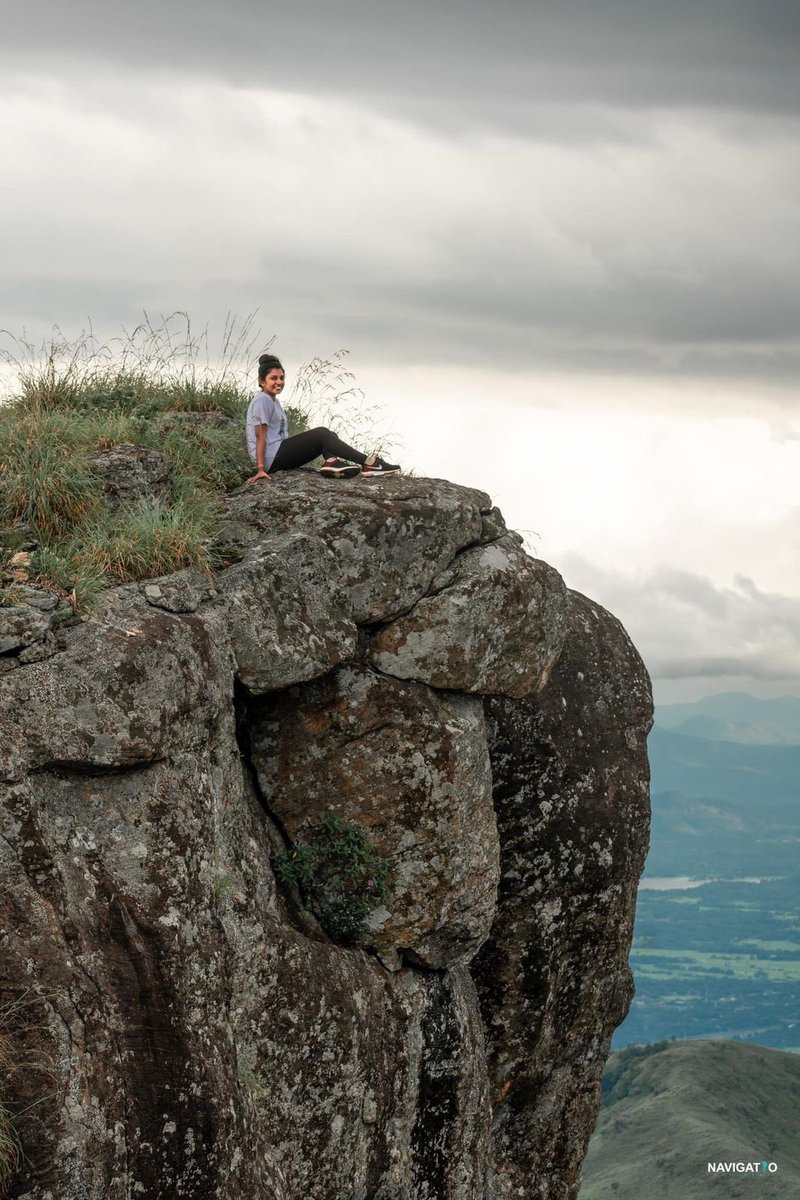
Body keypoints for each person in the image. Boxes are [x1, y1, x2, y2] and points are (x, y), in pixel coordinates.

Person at [245, 354, 400, 484]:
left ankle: (332, 462)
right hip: (270, 458)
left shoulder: (273, 401)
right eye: (273, 378)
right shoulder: (262, 400)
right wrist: (260, 469)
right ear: (262, 381)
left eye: (281, 378)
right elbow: (260, 436)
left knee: (329, 435)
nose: (279, 382)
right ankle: (371, 463)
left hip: (275, 456)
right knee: (322, 434)